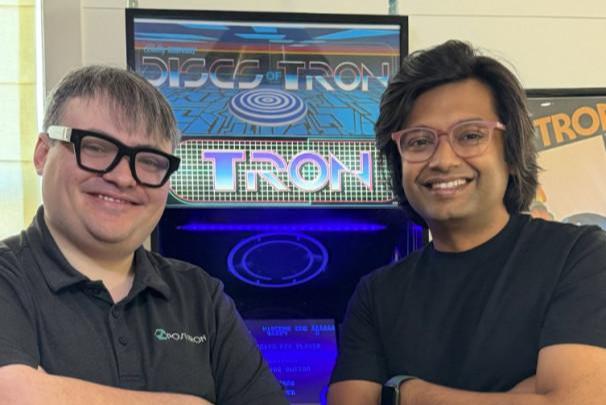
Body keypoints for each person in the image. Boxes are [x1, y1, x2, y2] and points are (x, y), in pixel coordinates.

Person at [327, 40, 606, 404]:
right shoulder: (377, 295)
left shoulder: (579, 257)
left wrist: (407, 392)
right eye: (419, 141)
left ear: (511, 152)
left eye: (471, 135)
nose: (443, 160)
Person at [0, 66, 288, 405]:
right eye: (96, 147)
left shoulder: (201, 297)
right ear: (42, 153)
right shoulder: (9, 277)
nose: (123, 178)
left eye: (150, 162)